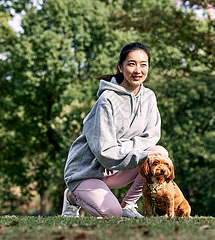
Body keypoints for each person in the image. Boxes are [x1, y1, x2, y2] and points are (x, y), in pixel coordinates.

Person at [61, 42, 169, 218]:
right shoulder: (107, 100)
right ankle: (72, 196)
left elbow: (152, 135)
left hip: (117, 169)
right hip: (87, 171)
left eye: (143, 64)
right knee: (113, 214)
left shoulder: (149, 97)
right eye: (131, 64)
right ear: (120, 67)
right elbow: (104, 150)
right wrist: (127, 153)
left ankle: (128, 204)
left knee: (158, 153)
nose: (138, 70)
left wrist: (126, 151)